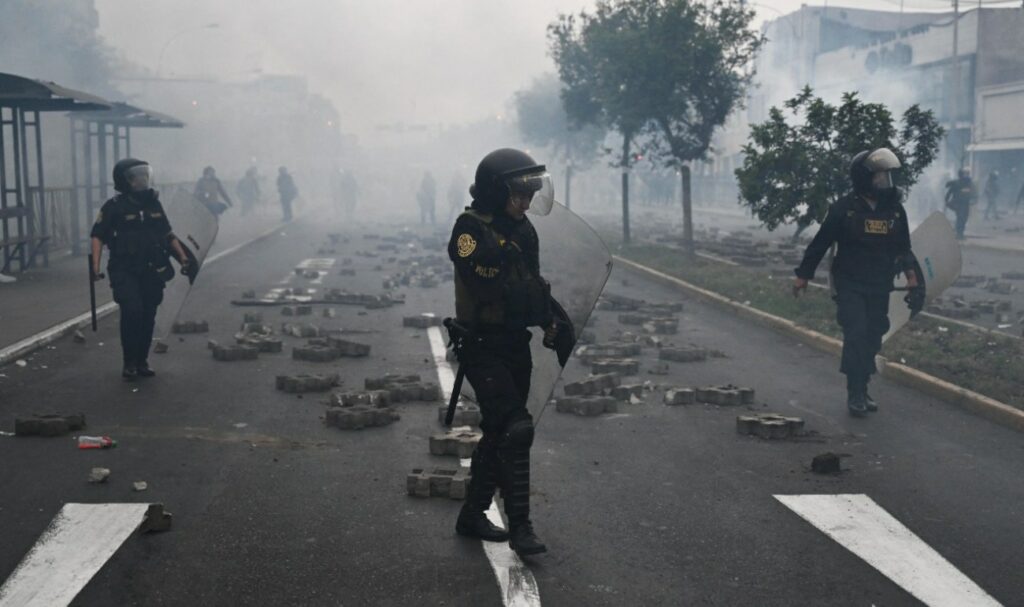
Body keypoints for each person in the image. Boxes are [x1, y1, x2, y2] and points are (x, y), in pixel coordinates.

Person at [447, 148, 564, 556]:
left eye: (531, 194)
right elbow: (486, 283)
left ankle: (473, 514)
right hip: (482, 345)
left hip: (516, 343)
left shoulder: (524, 229)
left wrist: (549, 317)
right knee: (517, 427)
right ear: (496, 193)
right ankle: (521, 528)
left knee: (498, 432)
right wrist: (504, 248)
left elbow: (530, 280)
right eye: (518, 194)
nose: (526, 202)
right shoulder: (468, 230)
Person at [793, 148, 924, 417]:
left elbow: (903, 248)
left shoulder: (895, 211)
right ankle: (854, 393)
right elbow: (821, 243)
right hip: (849, 283)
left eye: (888, 176)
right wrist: (803, 275)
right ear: (864, 178)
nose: (885, 182)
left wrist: (912, 276)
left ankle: (863, 386)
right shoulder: (844, 209)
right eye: (879, 176)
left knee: (873, 334)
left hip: (879, 283)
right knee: (856, 333)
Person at [91, 158, 191, 380]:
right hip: (124, 269)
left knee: (148, 314)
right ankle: (129, 363)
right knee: (132, 311)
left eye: (145, 174)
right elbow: (97, 236)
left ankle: (142, 361)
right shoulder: (113, 207)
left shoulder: (154, 204)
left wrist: (183, 257)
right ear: (125, 181)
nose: (143, 179)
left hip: (152, 269)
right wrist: (95, 267)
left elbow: (168, 234)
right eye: (137, 176)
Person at [945, 168, 976, 240]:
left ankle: (960, 233)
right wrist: (947, 200)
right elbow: (949, 192)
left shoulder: (967, 182)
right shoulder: (956, 183)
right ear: (961, 175)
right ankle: (959, 234)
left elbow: (972, 192)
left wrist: (973, 198)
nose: (965, 175)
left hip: (965, 204)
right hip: (959, 204)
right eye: (964, 174)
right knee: (961, 218)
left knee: (963, 218)